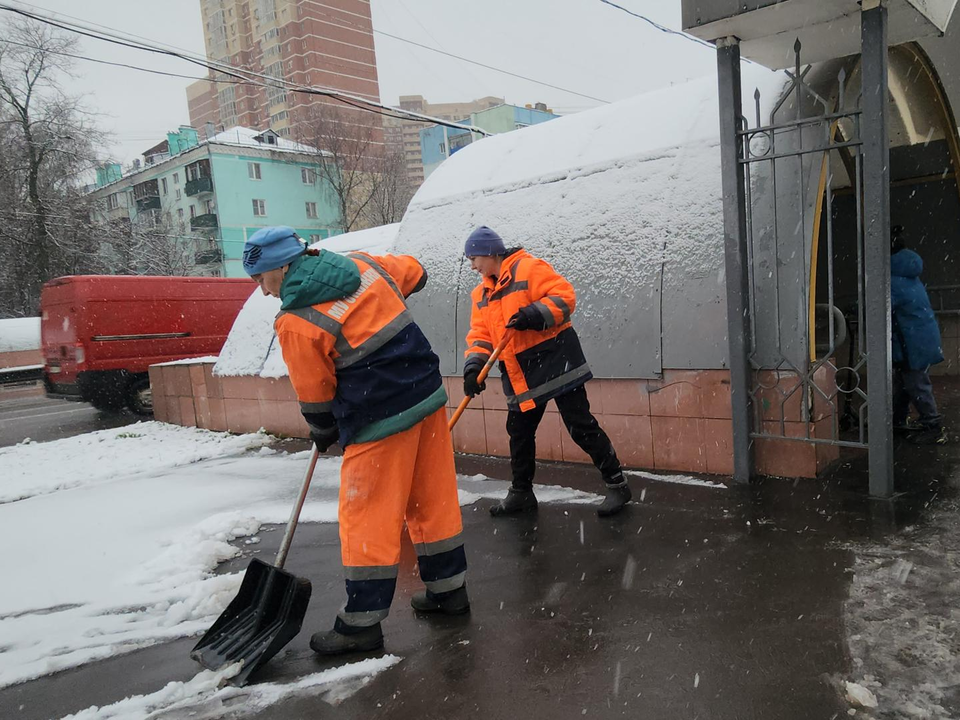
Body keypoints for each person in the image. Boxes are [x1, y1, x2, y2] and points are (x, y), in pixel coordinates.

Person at [242, 226, 470, 657]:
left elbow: (315, 390)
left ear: (284, 267)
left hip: (376, 419)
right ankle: (448, 592)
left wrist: (322, 427)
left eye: (261, 278)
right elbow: (416, 272)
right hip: (425, 395)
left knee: (367, 515)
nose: (263, 290)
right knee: (432, 499)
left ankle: (361, 624)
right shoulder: (365, 265)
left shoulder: (297, 320)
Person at [461, 226, 631, 517]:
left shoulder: (528, 268)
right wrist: (473, 367)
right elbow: (480, 335)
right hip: (520, 372)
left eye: (473, 258)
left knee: (580, 425)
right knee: (519, 432)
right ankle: (521, 493)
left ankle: (617, 484)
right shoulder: (481, 294)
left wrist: (533, 315)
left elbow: (565, 297)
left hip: (556, 361)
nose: (472, 266)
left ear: (489, 252)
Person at [891, 225, 947, 445]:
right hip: (921, 338)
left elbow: (879, 305)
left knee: (915, 383)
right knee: (905, 382)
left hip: (912, 342)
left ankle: (933, 426)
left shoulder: (892, 279)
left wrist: (855, 307)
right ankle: (897, 420)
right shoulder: (908, 272)